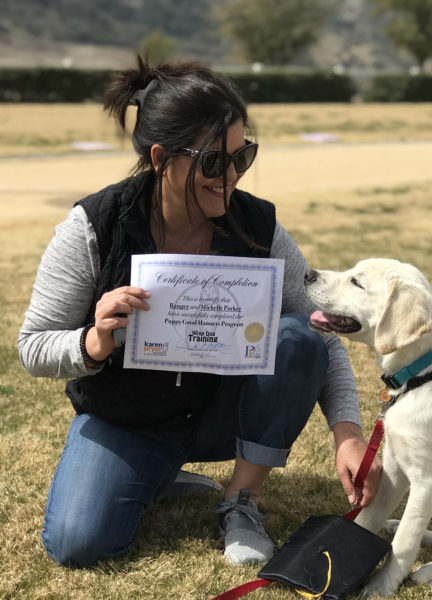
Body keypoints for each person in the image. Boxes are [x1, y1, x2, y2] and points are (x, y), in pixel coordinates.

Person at [18, 56, 381, 569]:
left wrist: (348, 432)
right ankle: (157, 473)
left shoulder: (257, 225)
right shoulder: (95, 227)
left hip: (225, 410)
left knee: (296, 336)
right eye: (214, 162)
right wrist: (92, 341)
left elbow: (318, 335)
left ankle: (242, 499)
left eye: (243, 157)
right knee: (79, 544)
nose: (230, 176)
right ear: (162, 158)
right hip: (131, 418)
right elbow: (32, 346)